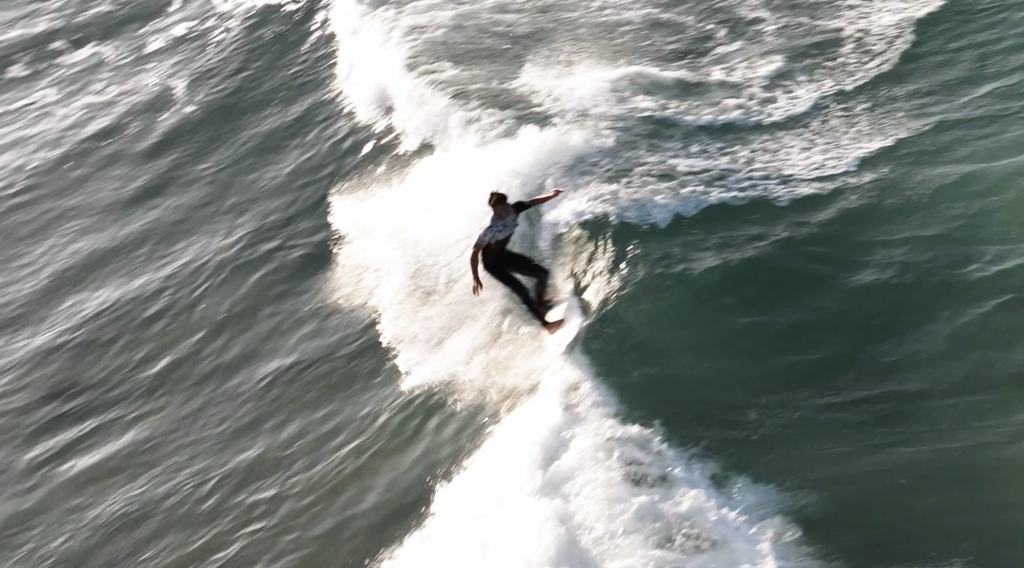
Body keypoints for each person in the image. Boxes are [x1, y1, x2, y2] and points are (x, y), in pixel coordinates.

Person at [471, 189, 565, 333]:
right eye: (497, 210)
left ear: (506, 204)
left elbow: (534, 201)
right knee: (522, 290)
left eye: (503, 208)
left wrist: (551, 195)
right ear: (493, 210)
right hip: (492, 264)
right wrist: (476, 277)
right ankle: (547, 325)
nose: (501, 212)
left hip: (503, 255)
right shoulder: (489, 228)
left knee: (542, 274)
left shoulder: (514, 209)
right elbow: (475, 251)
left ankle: (540, 303)